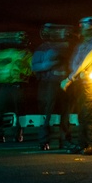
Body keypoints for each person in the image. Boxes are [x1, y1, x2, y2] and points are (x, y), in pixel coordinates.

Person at [61, 16, 92, 156]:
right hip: (80, 84)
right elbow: (73, 63)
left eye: (84, 25)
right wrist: (73, 76)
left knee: (89, 114)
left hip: (90, 84)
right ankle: (82, 144)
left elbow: (83, 63)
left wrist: (69, 78)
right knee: (82, 115)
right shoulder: (81, 44)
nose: (81, 28)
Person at [0, 31, 33, 143]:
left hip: (14, 84)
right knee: (6, 110)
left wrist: (24, 73)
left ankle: (14, 133)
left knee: (13, 110)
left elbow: (32, 69)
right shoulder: (23, 53)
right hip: (8, 84)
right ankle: (3, 133)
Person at [31, 23, 72, 151]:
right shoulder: (46, 47)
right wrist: (52, 63)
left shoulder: (65, 47)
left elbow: (36, 66)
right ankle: (48, 140)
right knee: (50, 114)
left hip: (60, 84)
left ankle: (55, 140)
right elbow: (35, 66)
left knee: (61, 113)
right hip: (51, 84)